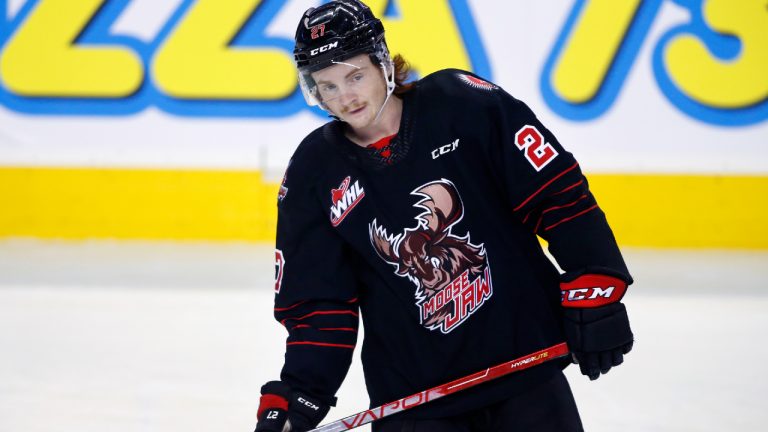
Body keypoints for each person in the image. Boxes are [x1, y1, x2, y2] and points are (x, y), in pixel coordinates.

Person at [254, 1, 634, 431]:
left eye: (355, 76)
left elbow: (556, 194)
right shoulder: (314, 170)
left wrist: (595, 281)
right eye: (328, 86)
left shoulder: (464, 105)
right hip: (415, 401)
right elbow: (320, 304)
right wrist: (300, 394)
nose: (346, 97)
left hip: (525, 372)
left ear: (383, 63)